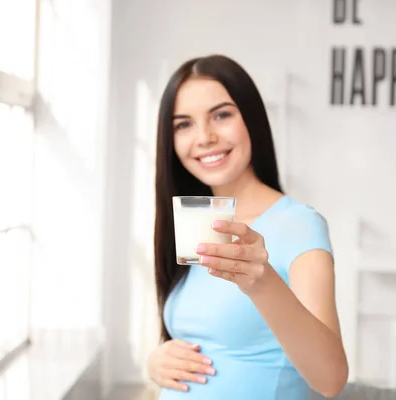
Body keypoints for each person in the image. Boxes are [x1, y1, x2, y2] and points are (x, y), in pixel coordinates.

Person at [148, 54, 348, 400]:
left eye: (221, 115)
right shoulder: (194, 221)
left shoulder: (299, 225)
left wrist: (262, 282)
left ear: (252, 119)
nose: (205, 137)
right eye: (183, 124)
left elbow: (330, 380)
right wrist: (156, 362)